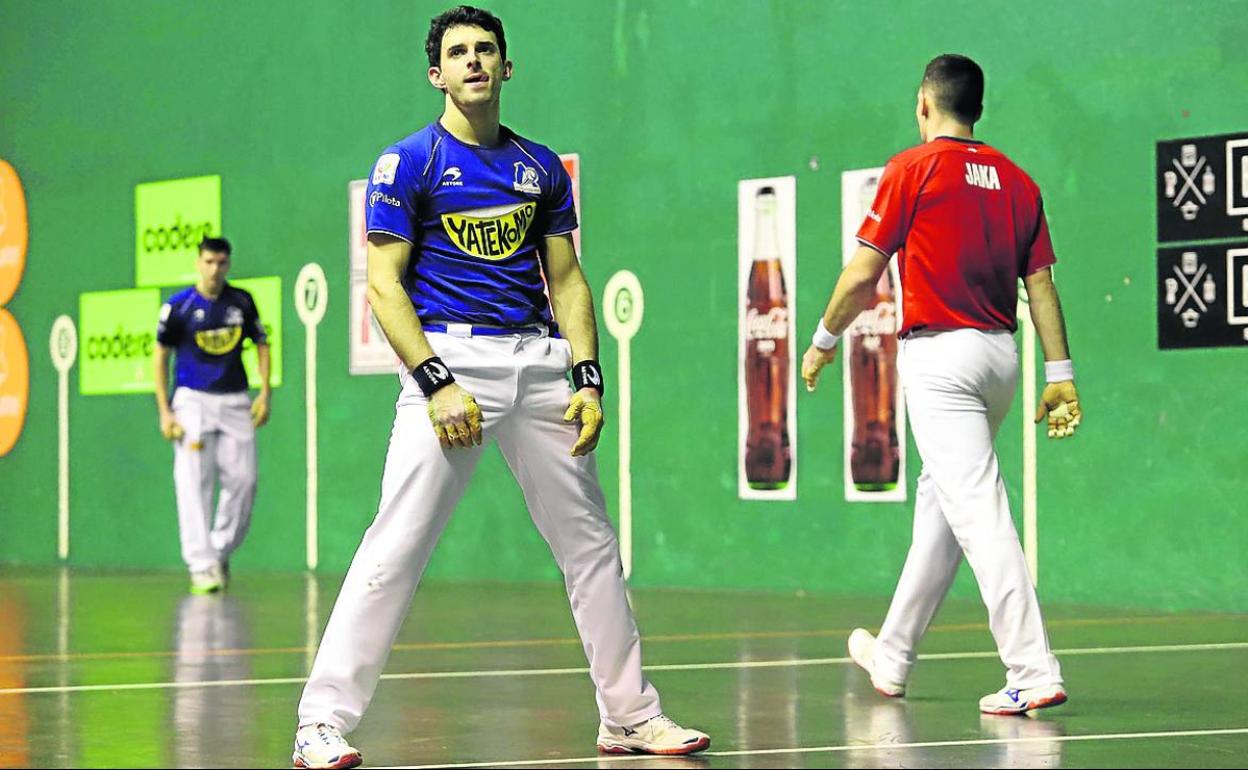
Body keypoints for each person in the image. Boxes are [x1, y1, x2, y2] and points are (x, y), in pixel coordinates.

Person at [291, 7, 708, 768]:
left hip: (541, 365)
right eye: (458, 53)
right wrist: (436, 383)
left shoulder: (540, 167)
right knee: (398, 543)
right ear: (437, 74)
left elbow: (567, 279)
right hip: (452, 364)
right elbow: (383, 285)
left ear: (507, 67)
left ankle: (629, 716)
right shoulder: (408, 163)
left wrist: (588, 377)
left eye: (486, 50)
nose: (474, 61)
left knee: (591, 547)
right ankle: (320, 722)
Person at [802, 54, 1081, 716]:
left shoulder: (911, 168)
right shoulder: (1018, 181)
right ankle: (893, 654)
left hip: (941, 364)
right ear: (976, 109)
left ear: (924, 105)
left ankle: (1032, 666)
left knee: (977, 509)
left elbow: (862, 274)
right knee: (943, 507)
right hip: (1000, 362)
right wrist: (1061, 374)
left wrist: (822, 341)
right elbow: (1041, 285)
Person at [154, 236, 272, 595]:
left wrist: (265, 392)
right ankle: (200, 565)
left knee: (244, 481)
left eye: (221, 263)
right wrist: (165, 411)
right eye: (208, 262)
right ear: (198, 263)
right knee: (193, 483)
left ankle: (217, 550)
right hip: (192, 401)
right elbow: (160, 357)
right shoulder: (178, 307)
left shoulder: (242, 301)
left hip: (235, 399)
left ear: (228, 264)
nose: (214, 270)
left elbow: (262, 344)